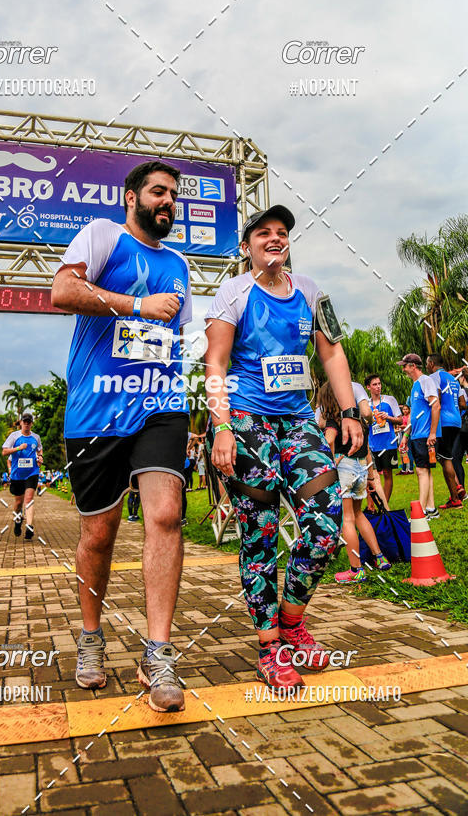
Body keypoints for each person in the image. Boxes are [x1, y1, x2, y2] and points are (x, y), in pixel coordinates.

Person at [51, 160, 192, 712]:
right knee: (99, 534)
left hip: (160, 407)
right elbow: (63, 290)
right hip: (96, 412)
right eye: (158, 192)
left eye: (174, 195)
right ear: (131, 196)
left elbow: (175, 340)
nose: (168, 202)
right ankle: (91, 637)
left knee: (165, 514)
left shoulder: (179, 264)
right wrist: (137, 306)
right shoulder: (103, 235)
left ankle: (158, 653)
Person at [205, 204, 362, 690]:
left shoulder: (311, 292)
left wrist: (350, 410)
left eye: (282, 233)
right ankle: (269, 645)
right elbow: (215, 362)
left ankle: (292, 620)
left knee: (325, 523)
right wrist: (223, 426)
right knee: (261, 532)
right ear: (247, 246)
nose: (275, 239)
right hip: (247, 420)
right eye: (264, 234)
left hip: (297, 421)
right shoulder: (234, 292)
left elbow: (332, 352)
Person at [318, 382, 391, 583]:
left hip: (344, 468)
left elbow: (330, 439)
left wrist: (329, 462)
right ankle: (380, 557)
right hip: (360, 467)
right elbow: (367, 450)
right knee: (359, 515)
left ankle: (356, 569)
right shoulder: (358, 421)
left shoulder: (334, 420)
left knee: (347, 519)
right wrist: (369, 477)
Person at [398, 354, 441, 520]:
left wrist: (432, 433)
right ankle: (431, 508)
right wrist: (406, 435)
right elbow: (414, 415)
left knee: (421, 471)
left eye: (405, 366)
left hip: (425, 435)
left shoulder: (425, 381)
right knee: (426, 471)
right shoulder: (415, 385)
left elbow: (435, 406)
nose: (403, 369)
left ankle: (421, 512)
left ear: (413, 366)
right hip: (416, 434)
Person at [426, 353, 466, 509]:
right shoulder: (455, 380)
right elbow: (463, 403)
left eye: (428, 363)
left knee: (445, 459)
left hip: (444, 421)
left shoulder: (435, 377)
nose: (427, 366)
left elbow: (437, 400)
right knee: (446, 457)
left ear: (431, 363)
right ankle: (457, 488)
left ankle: (455, 498)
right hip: (456, 420)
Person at [2, 413, 43, 541]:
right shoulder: (14, 436)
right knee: (19, 502)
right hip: (17, 475)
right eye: (24, 421)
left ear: (31, 423)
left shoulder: (36, 437)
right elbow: (4, 451)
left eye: (29, 422)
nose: (26, 423)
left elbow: (39, 450)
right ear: (20, 423)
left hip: (32, 473)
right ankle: (18, 521)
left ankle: (29, 527)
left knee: (29, 499)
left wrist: (40, 457)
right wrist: (18, 448)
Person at [365, 374, 403, 503]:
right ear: (368, 387)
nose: (378, 387)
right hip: (372, 445)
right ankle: (373, 505)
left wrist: (388, 417)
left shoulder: (389, 400)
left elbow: (400, 420)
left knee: (387, 474)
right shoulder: (365, 404)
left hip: (388, 443)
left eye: (379, 384)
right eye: (374, 384)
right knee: (372, 477)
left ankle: (384, 505)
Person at [398, 405, 415, 474]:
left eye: (406, 409)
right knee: (402, 451)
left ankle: (410, 469)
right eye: (403, 409)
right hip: (402, 434)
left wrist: (403, 426)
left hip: (408, 435)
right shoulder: (402, 417)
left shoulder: (409, 417)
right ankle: (403, 469)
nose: (405, 410)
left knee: (409, 451)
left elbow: (409, 426)